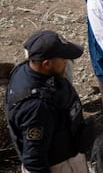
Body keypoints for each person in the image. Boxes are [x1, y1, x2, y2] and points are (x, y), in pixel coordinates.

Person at [6, 30, 91, 173]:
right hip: (58, 166)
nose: (66, 61)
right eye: (63, 58)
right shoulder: (36, 106)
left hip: (68, 154)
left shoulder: (29, 71)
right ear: (46, 64)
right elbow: (34, 158)